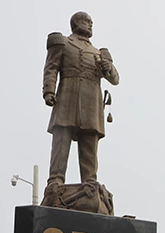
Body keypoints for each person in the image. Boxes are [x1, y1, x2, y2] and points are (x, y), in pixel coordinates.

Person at [41, 11, 120, 202]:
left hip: (91, 101)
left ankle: (90, 183)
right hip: (68, 95)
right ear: (75, 23)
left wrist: (107, 68)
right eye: (87, 21)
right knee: (62, 139)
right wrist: (48, 91)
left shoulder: (100, 53)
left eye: (92, 22)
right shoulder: (63, 43)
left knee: (89, 144)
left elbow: (115, 79)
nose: (91, 25)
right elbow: (51, 68)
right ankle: (56, 181)